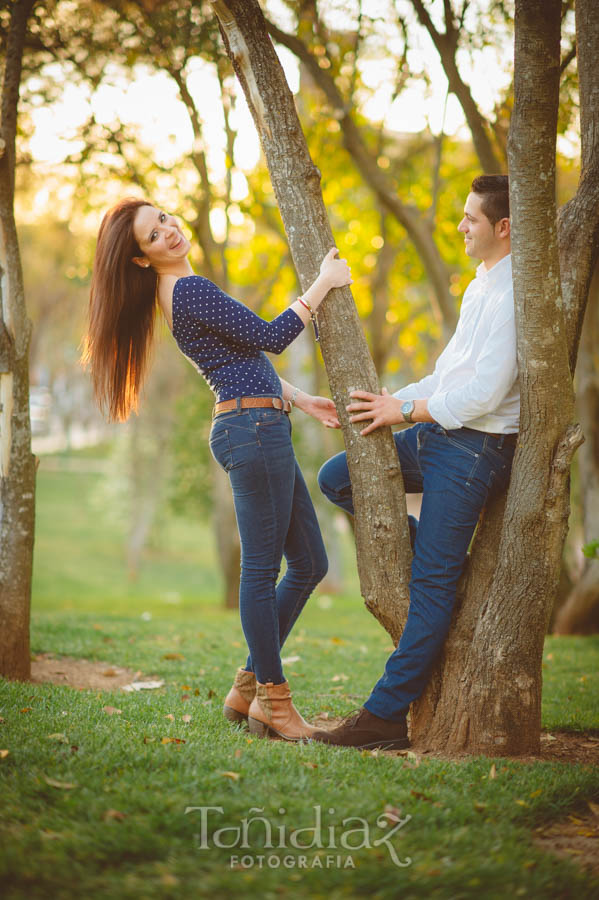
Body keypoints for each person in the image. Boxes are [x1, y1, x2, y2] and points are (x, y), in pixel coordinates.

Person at [83, 198, 352, 742]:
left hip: (257, 423)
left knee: (309, 563)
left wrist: (299, 399)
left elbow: (240, 363)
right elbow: (272, 337)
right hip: (252, 431)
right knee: (261, 571)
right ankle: (275, 702)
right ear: (141, 260)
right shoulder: (188, 291)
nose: (169, 231)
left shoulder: (179, 291)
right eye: (152, 237)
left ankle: (247, 687)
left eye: (163, 219)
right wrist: (323, 283)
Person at [312, 175, 518, 750]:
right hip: (438, 429)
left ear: (503, 228)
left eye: (471, 219)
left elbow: (482, 396)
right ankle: (442, 570)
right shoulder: (481, 284)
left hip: (475, 448)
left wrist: (406, 410)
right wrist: (390, 403)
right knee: (336, 478)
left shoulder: (515, 296)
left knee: (428, 590)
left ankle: (382, 717)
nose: (460, 227)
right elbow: (449, 375)